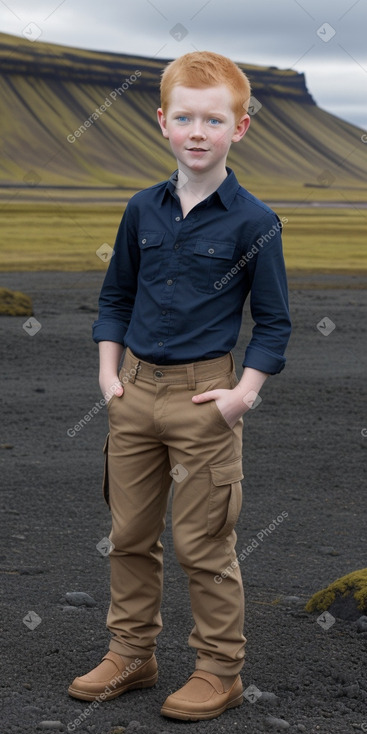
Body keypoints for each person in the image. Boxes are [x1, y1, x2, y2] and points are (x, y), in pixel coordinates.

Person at [68, 50, 291, 721]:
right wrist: (109, 377)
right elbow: (116, 294)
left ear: (239, 128)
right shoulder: (141, 210)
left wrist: (240, 397)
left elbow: (274, 324)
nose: (198, 132)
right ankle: (132, 656)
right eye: (185, 118)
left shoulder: (254, 222)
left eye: (214, 120)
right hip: (133, 394)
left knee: (204, 543)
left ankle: (219, 670)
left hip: (205, 400)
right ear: (163, 122)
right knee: (129, 534)